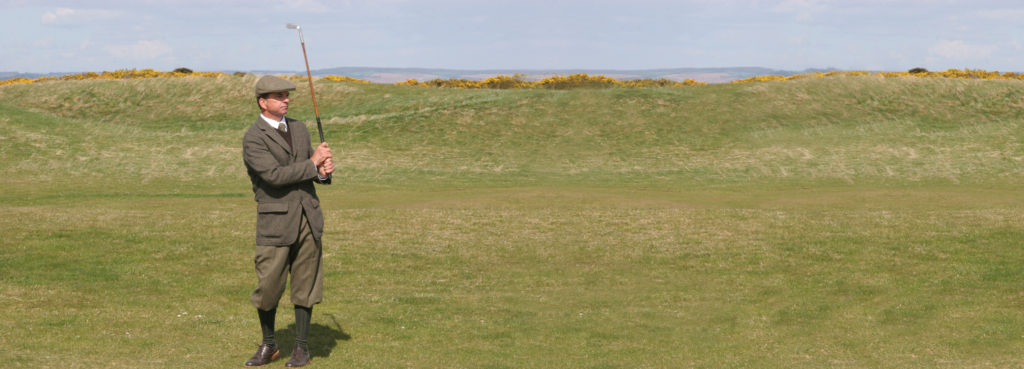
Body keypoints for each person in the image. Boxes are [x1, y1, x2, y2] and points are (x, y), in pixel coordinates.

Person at [242, 75, 334, 367]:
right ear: (262, 101)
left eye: (287, 95)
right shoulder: (253, 137)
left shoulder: (300, 128)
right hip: (275, 223)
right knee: (268, 288)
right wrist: (312, 164)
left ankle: (302, 348)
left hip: (308, 217)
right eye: (279, 95)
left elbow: (313, 174)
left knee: (305, 286)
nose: (286, 99)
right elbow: (274, 176)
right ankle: (269, 345)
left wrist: (323, 172)